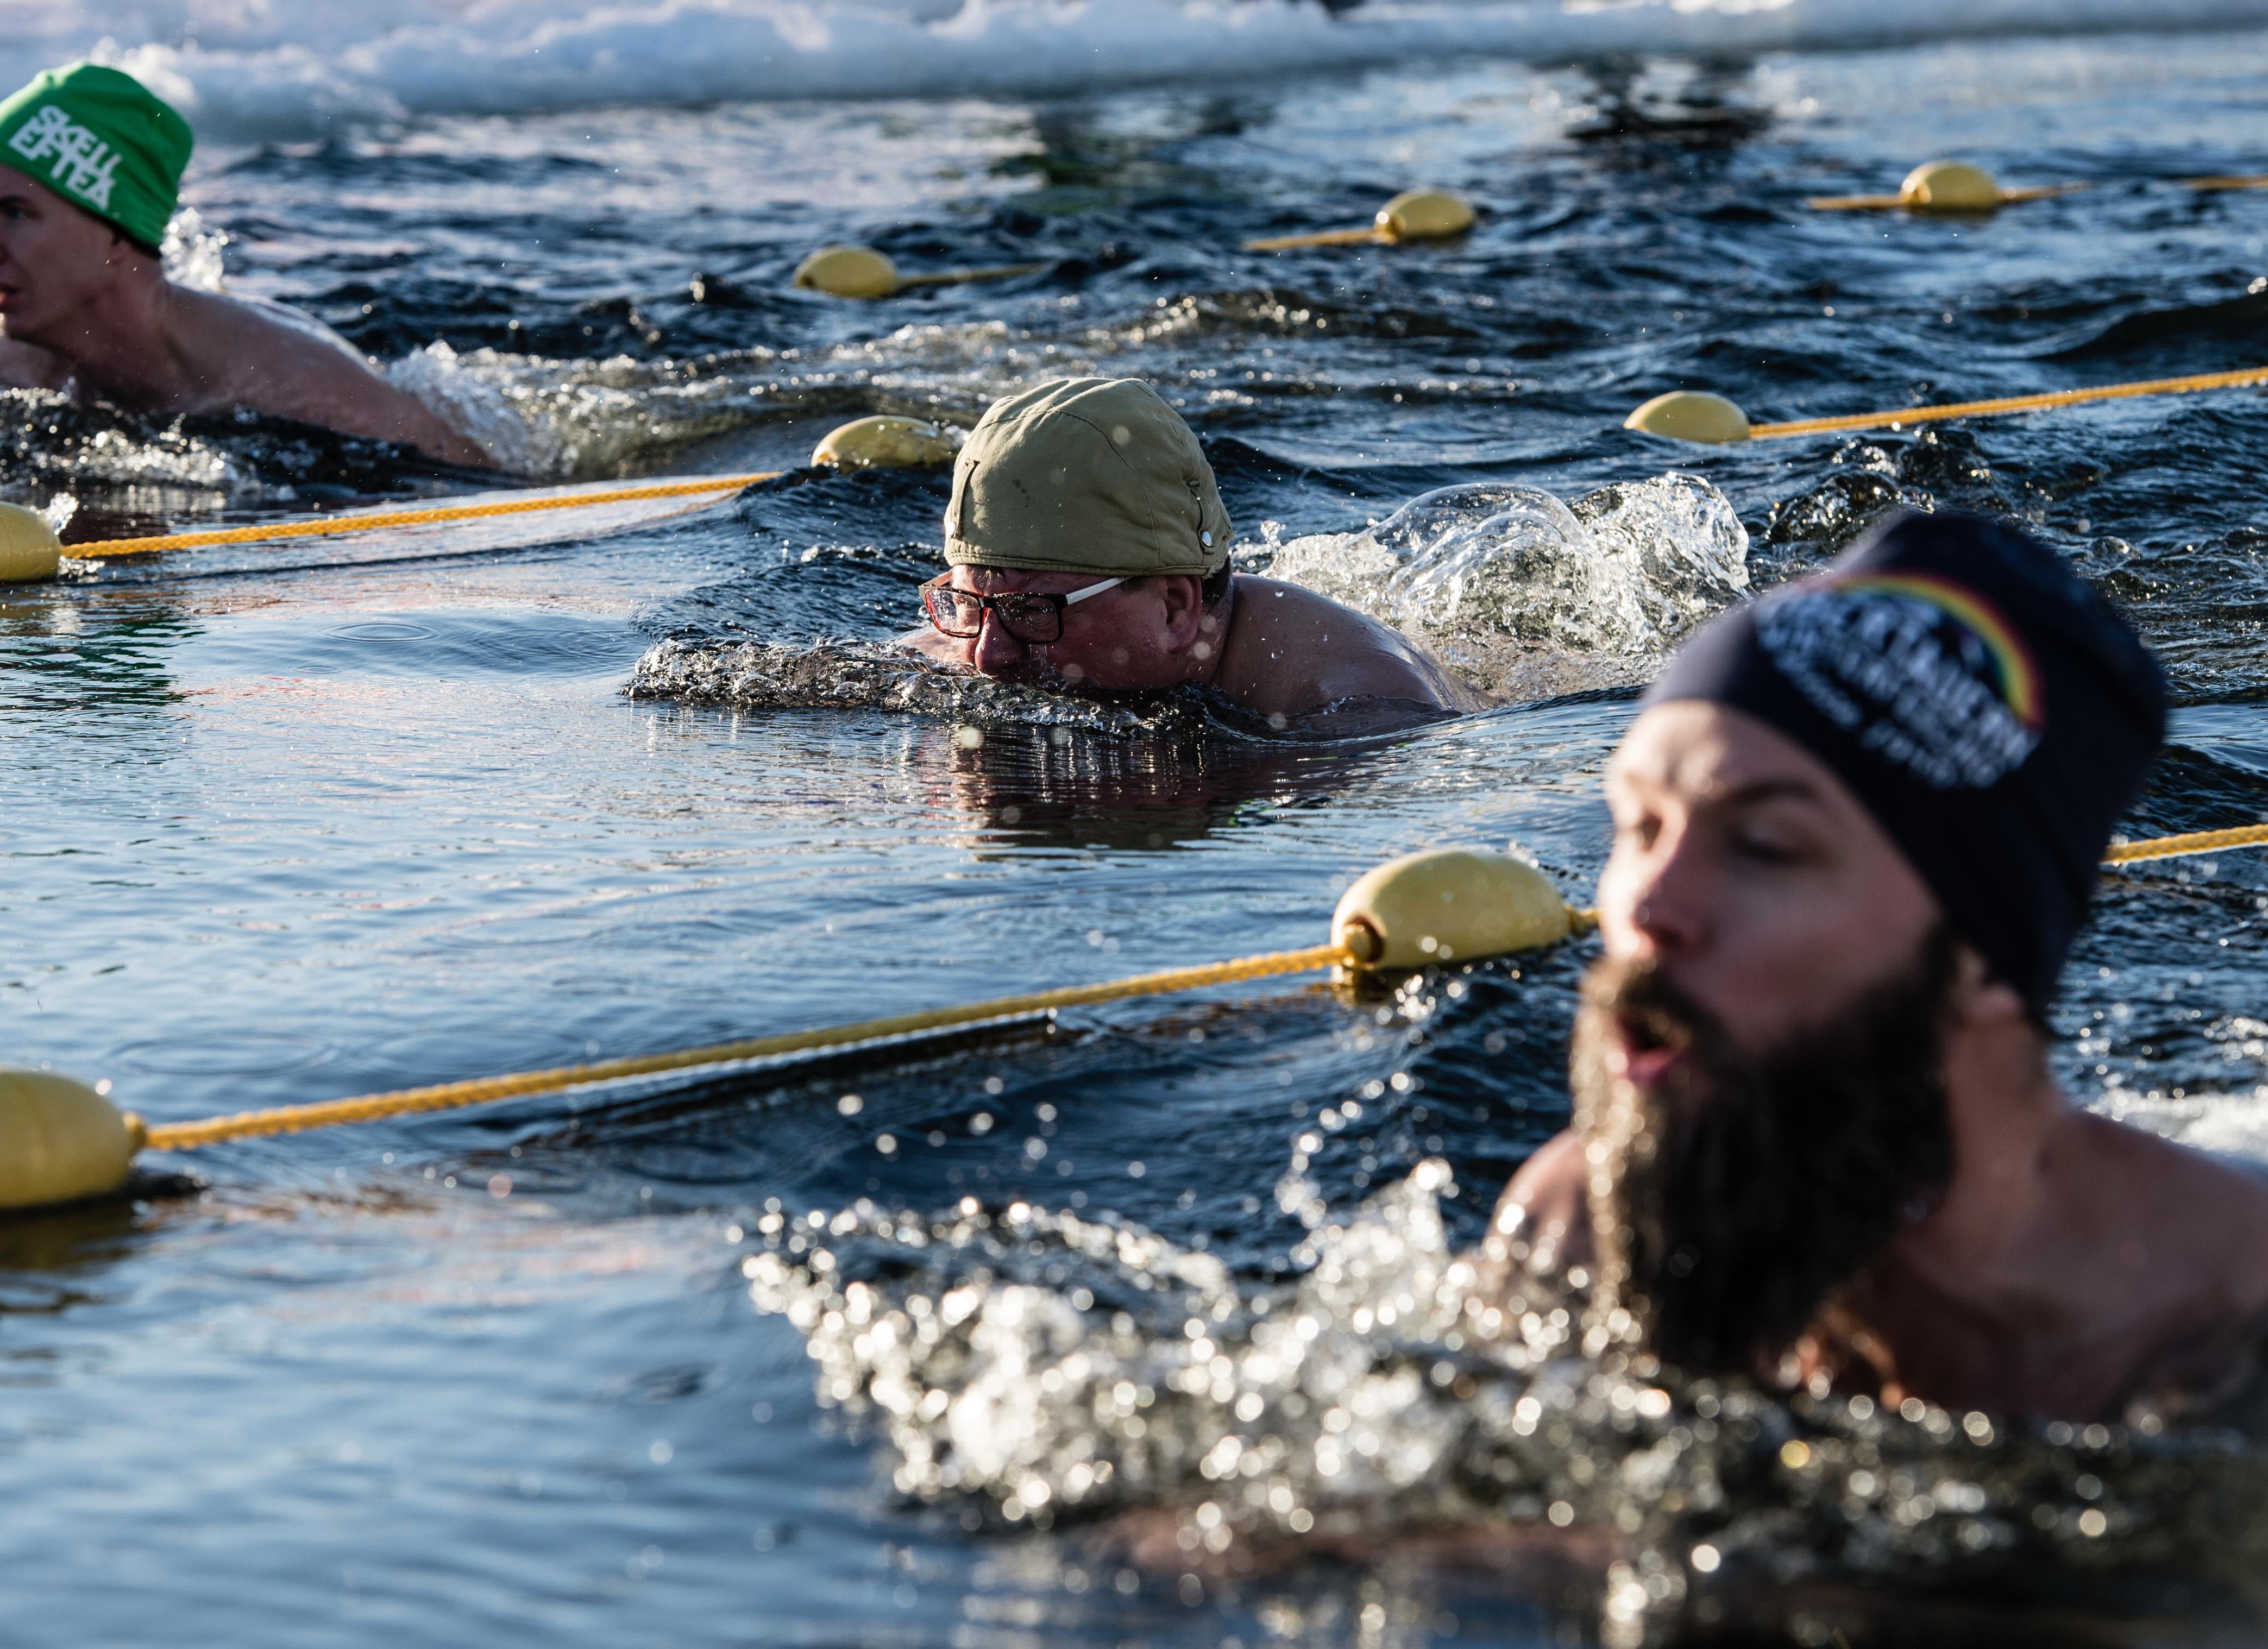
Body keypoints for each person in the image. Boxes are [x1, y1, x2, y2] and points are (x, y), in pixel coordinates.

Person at [1494, 510, 2268, 1425]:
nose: (1648, 910)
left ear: (1980, 959)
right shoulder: (1576, 1229)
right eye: (1641, 828)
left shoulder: (2221, 1322)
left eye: (1768, 847)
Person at [0, 62, 491, 468]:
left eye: (16, 213)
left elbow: (483, 486)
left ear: (117, 234)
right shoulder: (5, 370)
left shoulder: (294, 385)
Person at [903, 377, 1485, 721]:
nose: (986, 658)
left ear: (1176, 607)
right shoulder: (961, 646)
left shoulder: (1359, 705)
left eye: (1032, 612)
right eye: (968, 605)